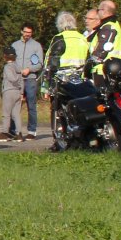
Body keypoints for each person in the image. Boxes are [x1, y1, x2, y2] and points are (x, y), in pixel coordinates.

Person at [40, 10, 89, 152]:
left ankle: (58, 141)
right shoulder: (83, 38)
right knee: (78, 109)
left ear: (60, 25)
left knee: (57, 110)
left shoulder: (59, 38)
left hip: (62, 80)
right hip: (80, 79)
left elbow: (51, 63)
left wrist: (45, 86)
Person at [11, 23, 43, 140]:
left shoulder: (36, 46)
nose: (27, 34)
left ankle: (31, 131)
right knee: (14, 104)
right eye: (25, 32)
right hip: (17, 79)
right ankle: (14, 131)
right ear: (21, 31)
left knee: (31, 104)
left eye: (29, 33)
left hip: (30, 79)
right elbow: (10, 61)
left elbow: (39, 63)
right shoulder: (15, 45)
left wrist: (29, 69)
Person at [88, 0, 121, 78]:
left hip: (102, 71)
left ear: (104, 11)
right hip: (110, 69)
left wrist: (88, 65)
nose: (97, 13)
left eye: (98, 10)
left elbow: (101, 51)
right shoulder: (113, 25)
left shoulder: (108, 27)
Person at [0, 49, 23, 141]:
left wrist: (15, 81)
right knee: (16, 114)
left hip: (9, 91)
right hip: (18, 92)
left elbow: (11, 78)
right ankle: (19, 133)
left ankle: (5, 133)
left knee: (6, 113)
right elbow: (22, 80)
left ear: (5, 56)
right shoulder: (18, 67)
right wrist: (21, 91)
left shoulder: (7, 67)